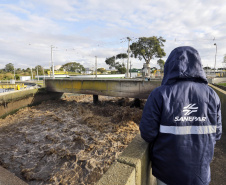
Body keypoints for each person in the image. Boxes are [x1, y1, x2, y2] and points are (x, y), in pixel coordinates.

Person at [139, 46, 222, 185]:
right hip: (200, 173)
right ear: (198, 65)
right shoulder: (212, 95)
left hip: (167, 173)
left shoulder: (159, 94)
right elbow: (217, 133)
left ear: (169, 66)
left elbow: (147, 133)